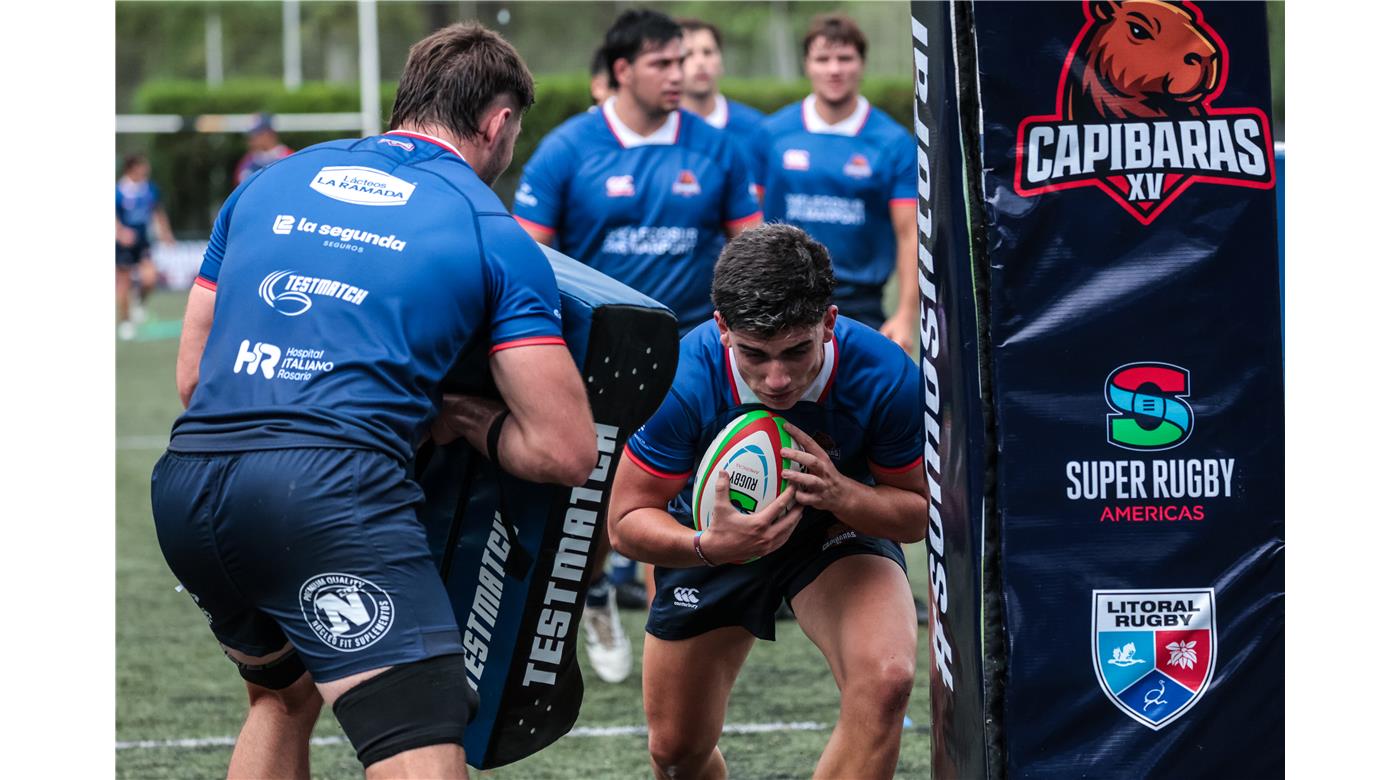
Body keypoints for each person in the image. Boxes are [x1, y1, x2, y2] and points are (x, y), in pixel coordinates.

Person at [150, 24, 597, 780]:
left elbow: (192, 379)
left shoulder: (266, 183)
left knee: (282, 700)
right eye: (512, 132)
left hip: (190, 490)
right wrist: (468, 419)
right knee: (419, 749)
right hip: (328, 500)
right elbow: (564, 450)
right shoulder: (492, 228)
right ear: (497, 123)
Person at [609, 223, 926, 780]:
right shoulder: (684, 375)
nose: (777, 379)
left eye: (796, 351)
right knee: (676, 753)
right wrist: (709, 545)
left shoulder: (884, 375)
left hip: (835, 532)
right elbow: (626, 522)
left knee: (887, 680)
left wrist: (842, 493)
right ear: (723, 328)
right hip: (714, 539)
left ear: (828, 323)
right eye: (755, 354)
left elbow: (919, 513)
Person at [513, 8, 762, 684]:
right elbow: (526, 257)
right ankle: (592, 594)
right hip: (597, 360)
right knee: (591, 511)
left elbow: (752, 250)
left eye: (682, 61)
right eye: (663, 63)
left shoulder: (718, 149)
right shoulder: (569, 149)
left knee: (678, 496)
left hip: (693, 356)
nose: (679, 74)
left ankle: (676, 639)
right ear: (622, 70)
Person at [756, 13, 920, 352]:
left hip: (861, 305)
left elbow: (909, 234)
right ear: (807, 65)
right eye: (823, 59)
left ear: (861, 63)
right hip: (782, 298)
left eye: (845, 58)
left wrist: (906, 314)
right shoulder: (772, 134)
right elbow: (747, 224)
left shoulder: (893, 142)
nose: (834, 69)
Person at [677, 18, 766, 183]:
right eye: (688, 54)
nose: (700, 62)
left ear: (721, 61)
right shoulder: (661, 132)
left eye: (708, 52)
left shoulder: (756, 127)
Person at [115, 153, 174, 340]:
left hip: (142, 242)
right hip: (122, 244)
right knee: (123, 283)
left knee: (150, 278)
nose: (146, 170)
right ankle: (125, 322)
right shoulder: (118, 190)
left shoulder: (149, 189)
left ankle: (138, 304)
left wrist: (165, 232)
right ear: (132, 168)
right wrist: (120, 232)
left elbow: (157, 211)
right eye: (142, 166)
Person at [234, 113, 294, 185]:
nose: (251, 140)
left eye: (255, 134)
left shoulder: (290, 157)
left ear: (268, 133)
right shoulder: (247, 161)